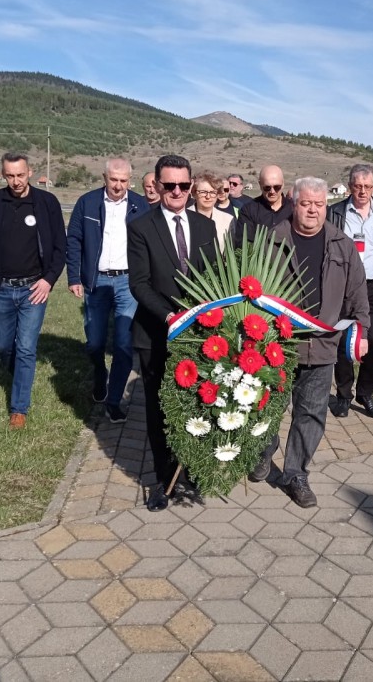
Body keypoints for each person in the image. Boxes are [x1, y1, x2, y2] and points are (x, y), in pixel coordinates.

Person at [250, 176, 369, 508]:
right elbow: (253, 290)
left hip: (323, 346)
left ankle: (295, 474)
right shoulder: (271, 240)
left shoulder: (342, 245)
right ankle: (263, 450)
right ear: (294, 203)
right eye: (306, 204)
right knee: (267, 408)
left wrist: (361, 332)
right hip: (278, 346)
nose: (313, 210)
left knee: (312, 413)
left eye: (319, 204)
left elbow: (358, 293)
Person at [128, 154, 219, 511]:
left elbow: (215, 276)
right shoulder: (141, 227)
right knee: (160, 410)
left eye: (183, 185)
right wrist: (171, 316)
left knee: (196, 404)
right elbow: (139, 284)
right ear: (157, 185)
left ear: (191, 185)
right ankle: (163, 480)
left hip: (198, 336)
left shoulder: (205, 226)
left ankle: (192, 470)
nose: (177, 191)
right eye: (170, 185)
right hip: (156, 333)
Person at [0, 152, 66, 430]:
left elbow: (60, 247)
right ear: (4, 175)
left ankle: (19, 408)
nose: (16, 181)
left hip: (34, 288)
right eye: (10, 176)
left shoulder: (46, 203)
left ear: (30, 172)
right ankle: (20, 377)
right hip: (2, 288)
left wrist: (48, 280)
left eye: (20, 175)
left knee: (25, 348)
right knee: (2, 346)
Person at [66, 158, 149, 422]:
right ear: (104, 177)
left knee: (123, 344)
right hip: (97, 281)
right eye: (113, 179)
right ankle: (100, 373)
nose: (118, 185)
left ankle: (113, 401)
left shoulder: (140, 205)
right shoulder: (87, 202)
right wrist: (74, 277)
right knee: (94, 343)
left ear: (129, 181)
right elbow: (74, 240)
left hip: (127, 282)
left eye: (123, 180)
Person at [328, 164, 373, 419]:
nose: (362, 191)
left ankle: (365, 393)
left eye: (367, 187)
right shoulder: (335, 213)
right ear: (350, 186)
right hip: (343, 286)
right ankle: (343, 396)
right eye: (357, 186)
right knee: (343, 342)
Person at [235, 164, 294, 242]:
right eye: (267, 187)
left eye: (277, 187)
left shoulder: (293, 209)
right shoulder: (249, 210)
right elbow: (244, 243)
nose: (272, 191)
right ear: (260, 185)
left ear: (283, 184)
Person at [189, 172, 236, 250]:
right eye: (203, 192)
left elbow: (231, 251)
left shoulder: (228, 220)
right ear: (194, 193)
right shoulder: (182, 217)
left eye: (212, 192)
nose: (208, 196)